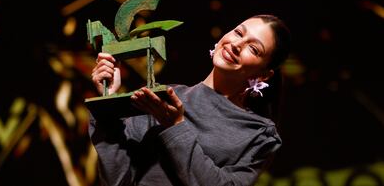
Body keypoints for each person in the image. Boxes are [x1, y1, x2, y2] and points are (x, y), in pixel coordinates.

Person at [88, 14, 292, 186]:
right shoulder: (161, 98)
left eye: (254, 49)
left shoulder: (260, 134)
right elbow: (118, 179)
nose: (237, 44)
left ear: (264, 75)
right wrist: (109, 101)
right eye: (238, 32)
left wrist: (175, 127)